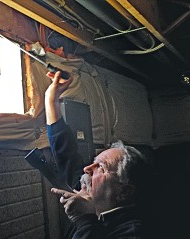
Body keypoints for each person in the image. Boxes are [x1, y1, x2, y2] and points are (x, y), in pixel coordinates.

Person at [45, 71, 158, 238]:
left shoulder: (134, 233)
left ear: (124, 191)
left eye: (101, 167)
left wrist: (84, 219)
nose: (87, 168)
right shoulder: (96, 191)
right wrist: (51, 100)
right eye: (94, 162)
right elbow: (66, 152)